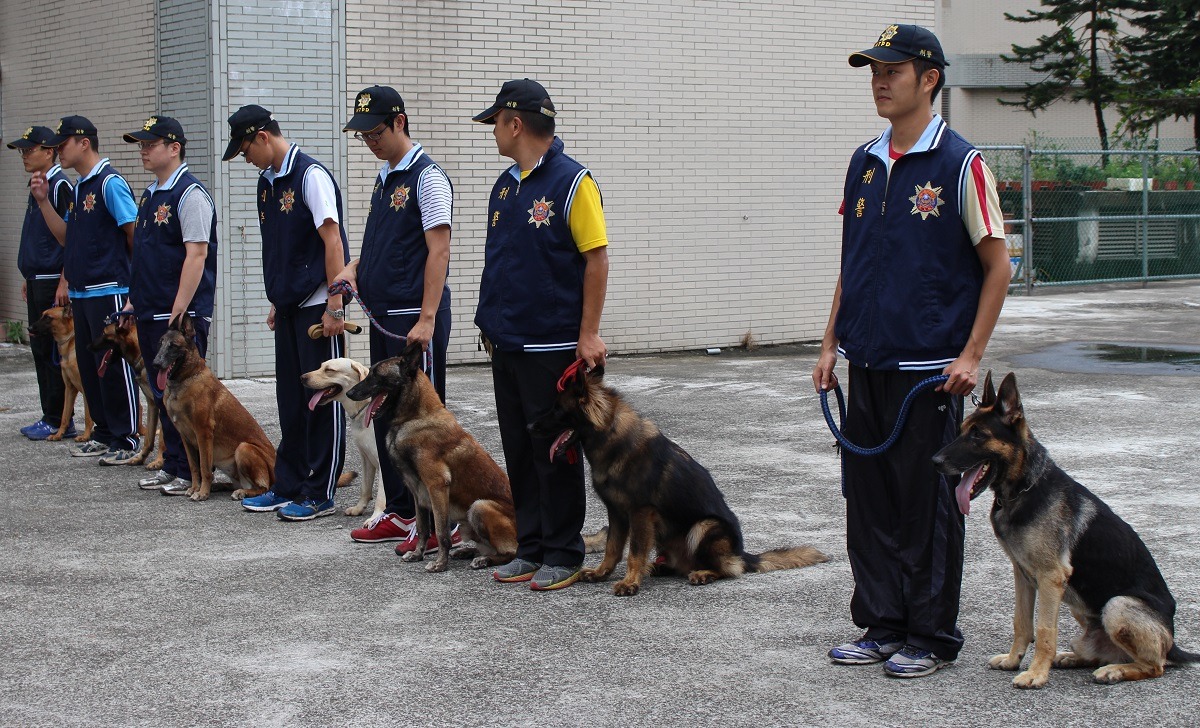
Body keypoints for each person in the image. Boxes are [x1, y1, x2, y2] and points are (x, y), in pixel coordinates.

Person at [811, 25, 1010, 678]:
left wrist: (971, 356)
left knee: (927, 509)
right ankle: (881, 623)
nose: (879, 80)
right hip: (867, 363)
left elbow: (997, 266)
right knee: (867, 502)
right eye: (873, 70)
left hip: (930, 375)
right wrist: (830, 342)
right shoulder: (864, 160)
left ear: (929, 78)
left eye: (892, 70)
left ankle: (929, 635)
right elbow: (852, 260)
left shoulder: (960, 163)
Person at [472, 79, 610, 591]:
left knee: (555, 451)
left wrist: (589, 334)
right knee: (520, 449)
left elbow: (596, 258)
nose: (493, 133)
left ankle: (564, 551)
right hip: (507, 342)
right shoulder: (506, 185)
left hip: (551, 346)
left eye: (496, 124)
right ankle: (530, 547)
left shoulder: (573, 182)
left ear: (516, 123)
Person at [334, 85, 461, 553]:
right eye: (363, 134)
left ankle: (434, 524)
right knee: (386, 417)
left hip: (413, 320)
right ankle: (402, 511)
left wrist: (427, 318)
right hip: (385, 315)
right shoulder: (385, 177)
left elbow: (439, 248)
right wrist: (353, 271)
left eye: (377, 131)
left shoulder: (428, 178)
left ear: (400, 121)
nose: (371, 141)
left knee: (422, 426)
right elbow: (378, 247)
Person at [221, 105, 349, 521]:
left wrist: (335, 303)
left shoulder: (310, 176)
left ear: (262, 136)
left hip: (318, 307)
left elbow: (332, 241)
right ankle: (288, 484)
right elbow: (280, 249)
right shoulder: (266, 183)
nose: (246, 159)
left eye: (245, 150)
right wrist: (278, 299)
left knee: (321, 399)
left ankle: (319, 491)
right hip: (290, 305)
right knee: (290, 401)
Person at [32, 116, 141, 464]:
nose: (57, 151)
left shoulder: (109, 183)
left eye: (62, 144)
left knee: (113, 366)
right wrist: (43, 201)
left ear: (83, 143)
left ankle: (128, 437)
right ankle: (104, 433)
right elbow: (67, 238)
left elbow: (133, 233)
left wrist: (135, 288)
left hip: (108, 288)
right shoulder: (79, 187)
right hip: (82, 292)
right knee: (92, 368)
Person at [120, 116, 218, 495]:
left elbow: (196, 255)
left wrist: (179, 313)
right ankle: (174, 463)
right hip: (148, 310)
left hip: (177, 319)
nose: (144, 149)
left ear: (174, 147)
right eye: (142, 144)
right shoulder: (150, 194)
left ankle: (189, 472)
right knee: (164, 396)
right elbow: (145, 255)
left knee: (187, 398)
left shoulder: (190, 194)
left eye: (151, 143)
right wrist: (133, 299)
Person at [9, 126, 74, 441]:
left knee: (51, 352)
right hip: (37, 279)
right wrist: (28, 277)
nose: (24, 155)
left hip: (53, 281)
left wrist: (65, 278)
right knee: (38, 349)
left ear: (49, 151)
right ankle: (48, 414)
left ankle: (59, 418)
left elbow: (70, 238)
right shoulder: (37, 184)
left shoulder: (60, 185)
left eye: (29, 149)